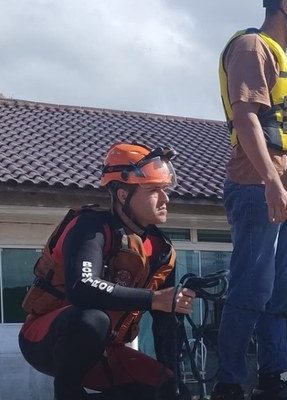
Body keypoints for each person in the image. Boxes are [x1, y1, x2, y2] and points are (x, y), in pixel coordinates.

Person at [212, 0, 287, 399]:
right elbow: (247, 118)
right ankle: (229, 383)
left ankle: (272, 380)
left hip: (279, 194)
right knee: (252, 287)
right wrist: (271, 182)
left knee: (282, 291)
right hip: (253, 188)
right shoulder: (252, 47)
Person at [18, 142, 190, 400]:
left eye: (165, 190)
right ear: (123, 194)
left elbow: (166, 324)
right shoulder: (91, 226)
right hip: (47, 339)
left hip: (106, 350)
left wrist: (174, 380)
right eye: (155, 190)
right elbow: (82, 287)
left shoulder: (163, 251)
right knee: (93, 319)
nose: (166, 199)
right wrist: (153, 300)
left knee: (169, 390)